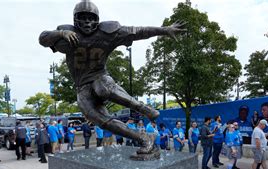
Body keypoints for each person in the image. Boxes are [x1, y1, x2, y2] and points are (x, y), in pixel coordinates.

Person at [39, 1, 185, 155]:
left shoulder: (107, 32)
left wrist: (164, 30)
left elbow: (138, 31)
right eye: (83, 18)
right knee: (99, 119)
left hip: (100, 77)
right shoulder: (67, 34)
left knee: (102, 88)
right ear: (75, 19)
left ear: (97, 19)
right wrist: (61, 33)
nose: (87, 22)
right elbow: (42, 38)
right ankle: (143, 139)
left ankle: (142, 107)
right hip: (82, 86)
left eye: (91, 18)